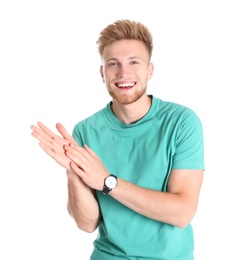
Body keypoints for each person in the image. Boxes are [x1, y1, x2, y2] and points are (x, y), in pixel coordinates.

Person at [31, 19, 204, 260]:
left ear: (150, 70)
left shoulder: (181, 122)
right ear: (103, 73)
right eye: (113, 64)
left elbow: (182, 212)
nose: (124, 73)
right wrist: (74, 171)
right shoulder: (85, 130)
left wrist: (107, 181)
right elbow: (86, 224)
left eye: (134, 62)